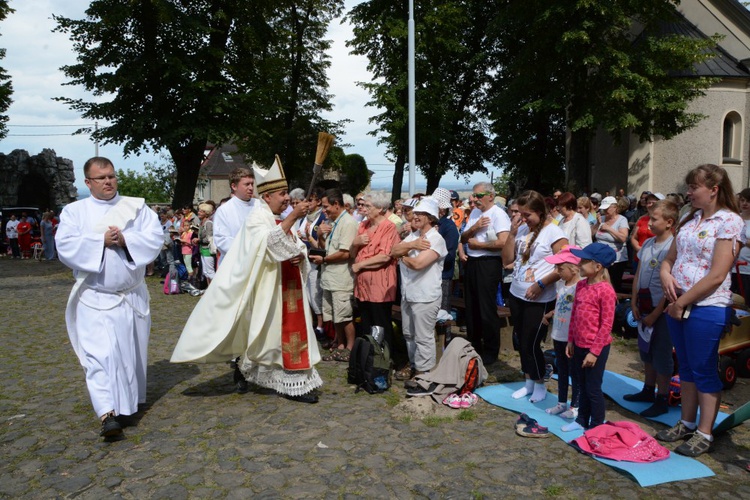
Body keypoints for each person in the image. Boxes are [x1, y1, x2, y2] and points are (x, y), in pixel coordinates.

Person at [171, 156, 323, 403]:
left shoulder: (277, 217)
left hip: (288, 286)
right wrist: (293, 216)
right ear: (268, 197)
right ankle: (270, 376)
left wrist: (299, 255)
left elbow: (296, 244)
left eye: (286, 194)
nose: (287, 199)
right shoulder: (258, 218)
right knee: (271, 335)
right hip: (267, 287)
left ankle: (295, 379)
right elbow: (267, 243)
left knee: (285, 334)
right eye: (282, 194)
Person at [55, 157, 163, 439]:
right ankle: (107, 414)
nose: (108, 182)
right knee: (100, 356)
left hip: (131, 296)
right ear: (87, 182)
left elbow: (154, 237)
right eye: (101, 178)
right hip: (96, 297)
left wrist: (126, 240)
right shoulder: (74, 211)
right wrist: (99, 241)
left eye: (112, 176)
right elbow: (65, 246)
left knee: (129, 353)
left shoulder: (136, 207)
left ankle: (126, 405)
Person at [658, 164, 745, 457]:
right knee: (684, 367)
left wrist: (682, 302)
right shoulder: (688, 216)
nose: (689, 192)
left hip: (706, 306)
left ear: (714, 190)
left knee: (704, 368)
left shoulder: (730, 222)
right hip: (678, 303)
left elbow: (718, 274)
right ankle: (686, 422)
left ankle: (705, 432)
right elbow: (671, 256)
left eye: (694, 187)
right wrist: (666, 275)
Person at [502, 190, 568, 402]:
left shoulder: (555, 233)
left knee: (532, 342)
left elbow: (565, 266)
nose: (523, 219)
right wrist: (512, 234)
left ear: (540, 212)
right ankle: (528, 380)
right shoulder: (522, 229)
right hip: (517, 292)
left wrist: (541, 284)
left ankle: (540, 382)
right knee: (521, 339)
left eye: (527, 214)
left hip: (539, 297)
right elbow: (506, 260)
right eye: (520, 214)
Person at [624, 200, 677, 417]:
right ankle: (647, 390)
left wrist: (657, 313)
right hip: (643, 307)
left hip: (661, 311)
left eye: (654, 219)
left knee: (661, 354)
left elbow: (671, 283)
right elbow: (638, 275)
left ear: (669, 222)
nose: (649, 223)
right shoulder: (647, 245)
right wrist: (634, 302)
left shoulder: (673, 247)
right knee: (646, 352)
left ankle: (662, 397)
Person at [562, 243, 617, 432]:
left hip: (596, 348)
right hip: (578, 344)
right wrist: (571, 340)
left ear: (597, 266)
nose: (579, 264)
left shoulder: (606, 291)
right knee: (581, 384)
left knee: (593, 388)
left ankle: (596, 425)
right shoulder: (581, 285)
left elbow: (606, 325)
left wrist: (594, 352)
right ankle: (581, 420)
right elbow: (574, 315)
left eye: (584, 261)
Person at [391, 197, 447, 378]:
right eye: (414, 213)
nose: (415, 217)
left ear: (430, 218)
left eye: (420, 214)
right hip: (408, 293)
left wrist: (402, 255)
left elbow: (418, 264)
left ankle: (425, 373)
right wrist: (412, 245)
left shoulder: (436, 239)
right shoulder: (414, 237)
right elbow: (393, 250)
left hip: (425, 296)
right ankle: (415, 366)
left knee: (423, 337)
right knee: (408, 334)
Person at [461, 182, 511, 365]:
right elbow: (464, 237)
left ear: (490, 196)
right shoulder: (475, 213)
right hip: (473, 261)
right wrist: (474, 228)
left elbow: (503, 242)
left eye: (479, 195)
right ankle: (474, 345)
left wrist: (479, 245)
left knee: (486, 307)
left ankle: (491, 350)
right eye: (474, 196)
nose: (475, 199)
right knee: (472, 305)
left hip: (488, 263)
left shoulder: (499, 215)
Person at [309, 189, 358, 360]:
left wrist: (324, 260)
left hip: (342, 278)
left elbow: (346, 253)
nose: (324, 210)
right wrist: (321, 236)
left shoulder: (348, 223)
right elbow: (326, 249)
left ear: (336, 204)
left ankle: (350, 347)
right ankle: (340, 343)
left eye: (326, 206)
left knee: (344, 315)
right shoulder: (335, 221)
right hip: (330, 278)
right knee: (334, 315)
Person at [350, 191, 400, 349]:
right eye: (363, 205)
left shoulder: (389, 227)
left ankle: (382, 362)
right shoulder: (363, 225)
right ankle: (367, 359)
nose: (364, 208)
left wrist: (360, 265)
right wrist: (355, 243)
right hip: (362, 285)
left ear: (380, 208)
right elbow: (352, 254)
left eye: (368, 205)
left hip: (380, 286)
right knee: (366, 324)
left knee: (380, 324)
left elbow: (385, 256)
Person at [542, 246, 581, 419]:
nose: (557, 271)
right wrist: (551, 314)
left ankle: (575, 405)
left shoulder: (580, 287)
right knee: (562, 370)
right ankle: (561, 402)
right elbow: (561, 305)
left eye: (561, 268)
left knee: (575, 371)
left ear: (573, 268)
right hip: (558, 333)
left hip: (571, 337)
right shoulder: (561, 284)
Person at [213, 167, 258, 264]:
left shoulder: (259, 205)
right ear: (234, 186)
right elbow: (222, 241)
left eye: (252, 184)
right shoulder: (224, 210)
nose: (251, 188)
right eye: (247, 184)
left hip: (257, 261)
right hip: (234, 263)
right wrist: (251, 248)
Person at [432, 188, 460, 315]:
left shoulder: (448, 226)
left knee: (442, 315)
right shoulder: (433, 225)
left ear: (442, 209)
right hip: (430, 275)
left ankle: (446, 336)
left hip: (442, 276)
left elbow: (449, 255)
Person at [595, 195, 629, 293]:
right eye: (603, 209)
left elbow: (623, 238)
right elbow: (591, 234)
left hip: (616, 260)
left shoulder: (622, 220)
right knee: (600, 284)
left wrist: (609, 229)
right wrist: (597, 224)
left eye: (607, 208)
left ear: (615, 207)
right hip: (600, 258)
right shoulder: (601, 218)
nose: (605, 211)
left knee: (613, 286)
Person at [630, 192, 664, 272]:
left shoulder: (665, 221)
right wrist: (638, 248)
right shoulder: (642, 219)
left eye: (654, 203)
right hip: (639, 257)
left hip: (655, 259)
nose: (651, 205)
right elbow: (634, 237)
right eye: (649, 202)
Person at [732, 188, 750, 302]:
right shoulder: (734, 218)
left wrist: (745, 241)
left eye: (748, 201)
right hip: (732, 268)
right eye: (742, 200)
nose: (745, 203)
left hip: (747, 270)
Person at [196, 203, 216, 285]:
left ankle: (216, 290)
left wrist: (198, 240)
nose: (199, 213)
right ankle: (209, 290)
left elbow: (209, 238)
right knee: (206, 271)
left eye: (201, 211)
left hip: (208, 250)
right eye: (199, 211)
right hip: (203, 249)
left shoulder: (208, 223)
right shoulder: (202, 223)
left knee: (210, 272)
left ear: (206, 213)